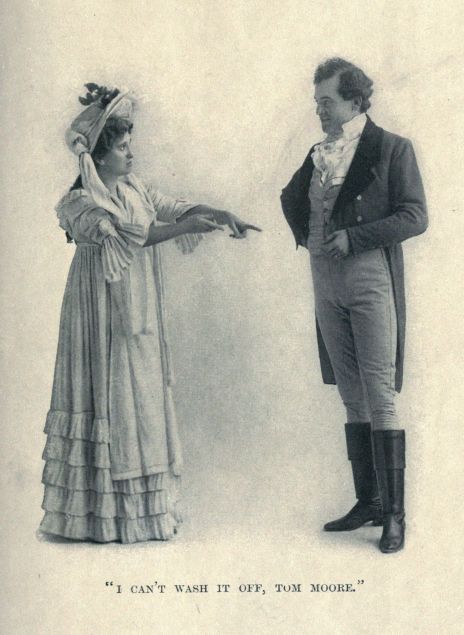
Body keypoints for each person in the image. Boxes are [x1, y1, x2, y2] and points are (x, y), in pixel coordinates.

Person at [40, 84, 260, 544]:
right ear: (99, 157)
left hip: (136, 306)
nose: (131, 154)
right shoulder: (82, 203)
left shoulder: (133, 186)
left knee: (139, 394)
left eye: (129, 145)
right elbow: (132, 237)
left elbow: (171, 208)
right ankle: (102, 516)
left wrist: (219, 213)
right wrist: (184, 228)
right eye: (122, 147)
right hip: (100, 308)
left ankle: (141, 511)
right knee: (110, 391)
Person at [280, 58, 427, 553]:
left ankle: (395, 516)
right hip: (325, 281)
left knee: (380, 392)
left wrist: (355, 237)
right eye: (317, 101)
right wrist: (308, 235)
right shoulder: (319, 152)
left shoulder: (392, 148)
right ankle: (369, 502)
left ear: (355, 101)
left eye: (327, 101)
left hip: (368, 278)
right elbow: (290, 197)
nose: (319, 110)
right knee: (350, 392)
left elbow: (415, 216)